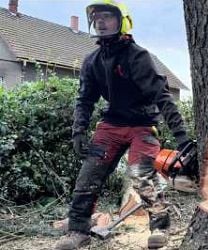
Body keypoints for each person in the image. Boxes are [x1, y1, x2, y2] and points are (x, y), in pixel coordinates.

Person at [55, 0, 190, 249]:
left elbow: (162, 96)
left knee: (142, 175)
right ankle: (78, 230)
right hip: (110, 125)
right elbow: (85, 99)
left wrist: (182, 138)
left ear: (122, 22)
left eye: (107, 17)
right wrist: (78, 131)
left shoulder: (138, 57)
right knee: (89, 176)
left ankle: (160, 227)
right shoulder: (92, 61)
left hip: (142, 125)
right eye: (97, 19)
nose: (101, 22)